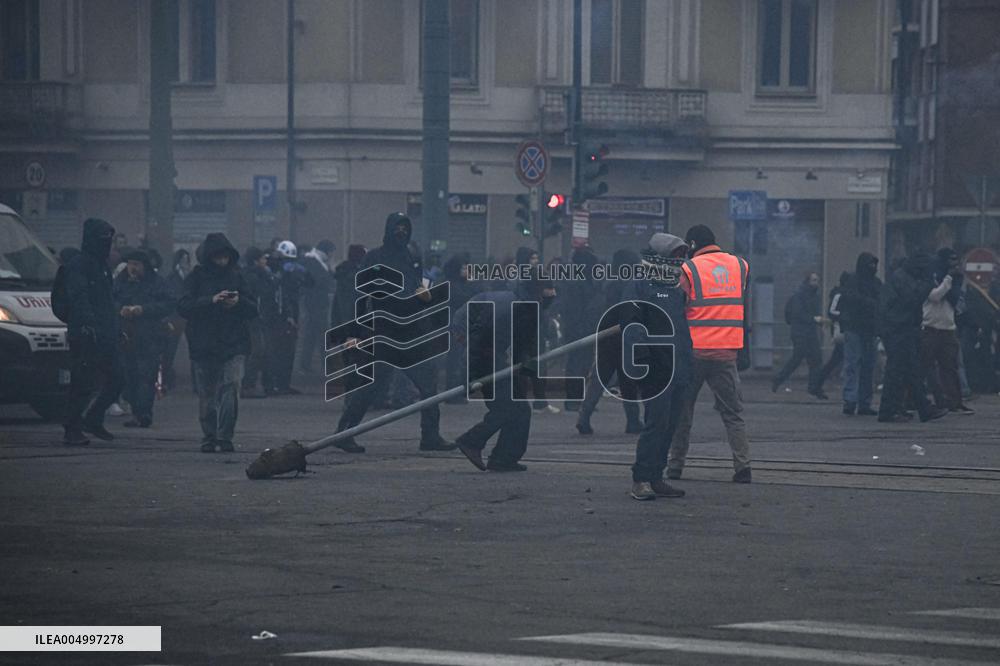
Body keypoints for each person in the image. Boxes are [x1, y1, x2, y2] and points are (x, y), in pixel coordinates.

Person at [332, 213, 455, 453]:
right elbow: (361, 295)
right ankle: (343, 433)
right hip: (384, 330)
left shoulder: (410, 257)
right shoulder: (375, 257)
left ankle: (430, 436)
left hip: (410, 331)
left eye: (404, 228)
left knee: (428, 386)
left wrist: (423, 300)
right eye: (397, 227)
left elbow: (416, 288)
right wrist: (355, 331)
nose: (401, 232)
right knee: (371, 386)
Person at [667, 224, 752, 483]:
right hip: (726, 353)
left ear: (692, 245)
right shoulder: (740, 266)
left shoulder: (688, 269)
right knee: (733, 413)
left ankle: (675, 466)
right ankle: (743, 466)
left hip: (694, 353)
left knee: (683, 411)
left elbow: (677, 308)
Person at [455, 268, 557, 472]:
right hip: (477, 349)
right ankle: (471, 440)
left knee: (520, 408)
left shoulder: (527, 306)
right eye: (546, 294)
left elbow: (523, 347)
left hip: (492, 353)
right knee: (507, 408)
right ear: (536, 292)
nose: (549, 300)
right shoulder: (509, 307)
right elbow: (477, 341)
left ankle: (503, 458)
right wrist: (472, 376)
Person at [619, 234, 692, 500]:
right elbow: (632, 328)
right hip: (656, 371)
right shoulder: (640, 286)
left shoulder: (675, 287)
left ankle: (655, 476)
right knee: (655, 425)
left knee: (670, 426)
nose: (679, 261)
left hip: (679, 367)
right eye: (675, 256)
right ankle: (641, 479)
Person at [177, 233, 259, 452]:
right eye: (217, 257)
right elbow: (183, 306)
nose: (222, 261)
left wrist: (238, 302)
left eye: (225, 257)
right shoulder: (195, 278)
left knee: (230, 388)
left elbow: (253, 308)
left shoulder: (238, 277)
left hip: (233, 343)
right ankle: (210, 435)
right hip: (204, 343)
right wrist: (211, 301)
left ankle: (224, 436)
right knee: (208, 394)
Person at [61, 218, 123, 445]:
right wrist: (88, 323)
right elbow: (79, 297)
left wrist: (116, 328)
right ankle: (72, 428)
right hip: (86, 333)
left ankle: (93, 419)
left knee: (117, 378)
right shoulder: (79, 265)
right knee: (82, 382)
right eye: (103, 239)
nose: (107, 244)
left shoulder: (102, 266)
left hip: (106, 332)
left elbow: (107, 302)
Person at [576, 248, 643, 435]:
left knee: (599, 379)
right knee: (628, 380)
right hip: (623, 337)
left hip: (607, 336)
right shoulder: (630, 285)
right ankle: (632, 421)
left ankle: (584, 416)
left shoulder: (608, 284)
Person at [876, 253, 948, 423]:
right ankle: (896, 410)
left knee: (907, 371)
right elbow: (912, 299)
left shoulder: (902, 276)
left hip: (901, 328)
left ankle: (915, 408)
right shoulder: (903, 278)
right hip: (899, 329)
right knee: (901, 371)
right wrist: (928, 284)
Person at [114, 249, 174, 428]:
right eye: (131, 264)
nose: (133, 268)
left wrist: (144, 309)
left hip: (149, 336)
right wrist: (120, 309)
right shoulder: (120, 282)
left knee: (146, 376)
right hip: (126, 336)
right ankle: (135, 411)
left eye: (137, 264)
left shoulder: (157, 283)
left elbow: (168, 304)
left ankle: (144, 413)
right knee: (129, 376)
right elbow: (110, 299)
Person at [921, 248, 973, 414]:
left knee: (950, 367)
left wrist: (951, 279)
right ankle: (915, 399)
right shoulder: (931, 276)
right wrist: (947, 279)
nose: (954, 264)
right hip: (930, 326)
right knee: (924, 365)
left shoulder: (956, 280)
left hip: (948, 327)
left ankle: (954, 402)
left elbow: (955, 298)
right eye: (950, 260)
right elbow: (935, 296)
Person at [560, 245, 603, 411]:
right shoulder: (576, 284)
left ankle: (578, 399)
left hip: (585, 330)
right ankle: (573, 400)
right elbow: (574, 310)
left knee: (583, 365)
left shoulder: (583, 282)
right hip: (579, 330)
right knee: (577, 365)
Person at [772, 272, 827, 399]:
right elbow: (799, 314)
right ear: (808, 281)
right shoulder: (803, 296)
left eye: (817, 280)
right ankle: (812, 387)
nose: (816, 283)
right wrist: (815, 320)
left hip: (805, 331)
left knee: (810, 359)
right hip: (802, 332)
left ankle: (812, 387)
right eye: (814, 280)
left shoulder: (805, 295)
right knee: (805, 359)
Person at [838, 253, 881, 415]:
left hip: (867, 330)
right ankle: (852, 400)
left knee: (866, 366)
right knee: (854, 364)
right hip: (855, 329)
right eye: (871, 264)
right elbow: (850, 300)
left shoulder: (873, 283)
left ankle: (861, 401)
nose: (873, 268)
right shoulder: (853, 282)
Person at [267, 240, 310, 395]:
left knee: (285, 351)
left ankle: (281, 383)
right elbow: (284, 295)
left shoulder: (282, 270)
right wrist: (289, 315)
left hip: (286, 314)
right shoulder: (282, 272)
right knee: (282, 351)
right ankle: (279, 383)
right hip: (284, 316)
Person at [241, 247, 277, 399]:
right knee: (258, 351)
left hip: (259, 318)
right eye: (263, 258)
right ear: (256, 260)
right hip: (254, 319)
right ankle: (248, 385)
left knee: (264, 351)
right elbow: (264, 293)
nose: (266, 261)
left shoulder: (255, 275)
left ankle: (260, 384)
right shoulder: (254, 276)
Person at [300, 240, 336, 374]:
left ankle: (306, 364)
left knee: (312, 335)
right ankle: (325, 364)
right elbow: (321, 280)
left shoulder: (315, 261)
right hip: (316, 304)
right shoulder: (313, 262)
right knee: (322, 335)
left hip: (315, 304)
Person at [161, 249, 191, 391]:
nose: (185, 263)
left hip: (188, 316)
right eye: (183, 260)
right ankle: (166, 380)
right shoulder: (172, 278)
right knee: (170, 349)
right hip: (177, 316)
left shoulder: (190, 277)